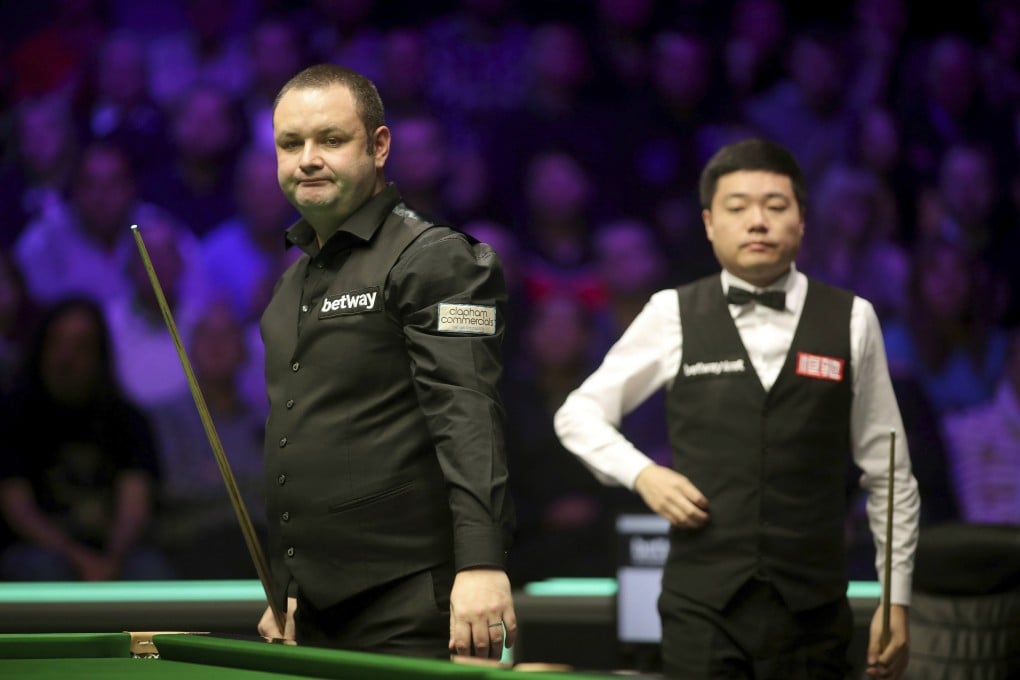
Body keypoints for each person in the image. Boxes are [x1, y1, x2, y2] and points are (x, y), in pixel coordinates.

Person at [554, 138, 921, 680]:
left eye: (775, 206)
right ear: (709, 224)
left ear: (802, 221)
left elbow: (889, 469)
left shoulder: (851, 318)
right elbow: (577, 414)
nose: (758, 222)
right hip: (701, 608)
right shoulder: (672, 313)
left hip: (813, 610)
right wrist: (643, 474)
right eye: (737, 207)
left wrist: (895, 598)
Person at [255, 64, 516, 662]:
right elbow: (301, 437)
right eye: (290, 144)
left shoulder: (436, 259)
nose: (307, 159)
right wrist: (287, 585)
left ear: (378, 146)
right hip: (313, 611)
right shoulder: (291, 285)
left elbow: (469, 417)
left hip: (412, 601)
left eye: (331, 139)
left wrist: (481, 563)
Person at [0, 297, 171, 582]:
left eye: (80, 346)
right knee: (43, 568)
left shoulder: (128, 419)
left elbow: (135, 506)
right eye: (57, 343)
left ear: (99, 356)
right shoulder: (12, 414)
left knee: (150, 570)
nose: (65, 357)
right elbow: (17, 508)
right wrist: (78, 557)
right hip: (36, 549)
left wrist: (110, 559)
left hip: (114, 550)